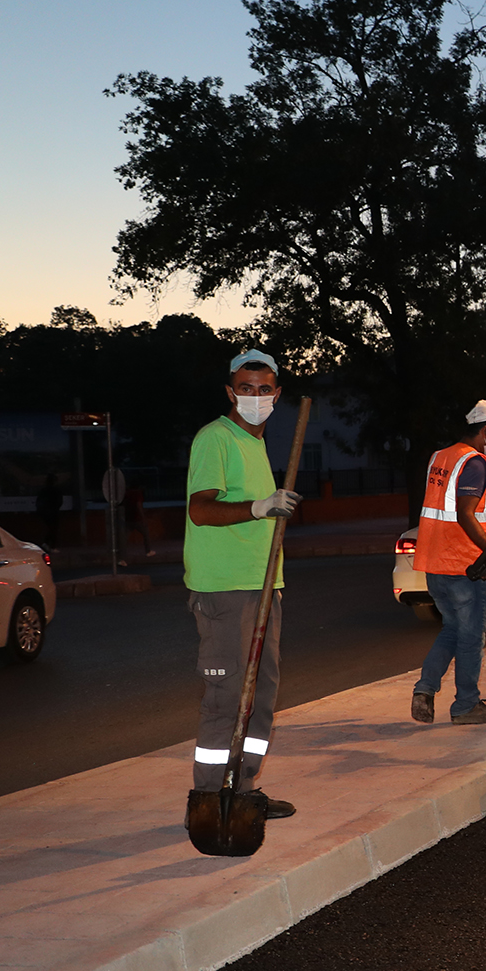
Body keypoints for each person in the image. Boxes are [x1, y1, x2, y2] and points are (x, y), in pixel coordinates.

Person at [183, 349, 302, 817]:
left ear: (277, 393)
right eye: (246, 389)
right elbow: (200, 509)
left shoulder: (256, 443)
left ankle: (245, 786)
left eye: (264, 389)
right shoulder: (216, 439)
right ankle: (211, 799)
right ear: (231, 392)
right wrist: (257, 508)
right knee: (227, 698)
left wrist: (270, 508)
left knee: (261, 695)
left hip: (264, 584)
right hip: (225, 590)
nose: (255, 397)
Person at [411, 400, 486, 725]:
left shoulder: (441, 457)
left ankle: (425, 689)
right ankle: (466, 705)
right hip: (466, 567)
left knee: (452, 630)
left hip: (436, 564)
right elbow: (465, 513)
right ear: (485, 431)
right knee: (472, 636)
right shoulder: (475, 462)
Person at [33, 473, 61, 548]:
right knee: (53, 529)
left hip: (45, 513)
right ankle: (50, 545)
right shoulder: (56, 490)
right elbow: (59, 502)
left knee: (51, 528)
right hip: (53, 512)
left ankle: (47, 544)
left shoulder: (43, 490)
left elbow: (39, 501)